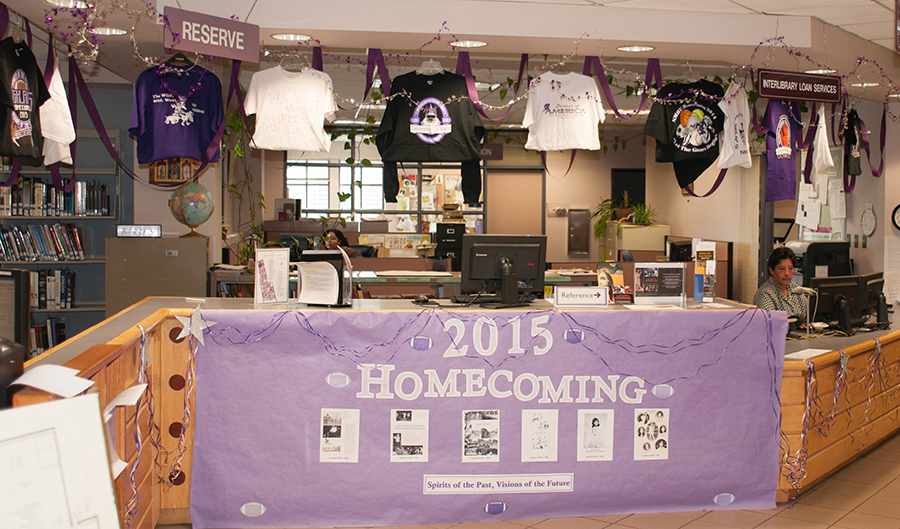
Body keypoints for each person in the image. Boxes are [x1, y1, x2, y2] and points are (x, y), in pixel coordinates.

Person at [753, 247, 808, 321]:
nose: (787, 273)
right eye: (782, 269)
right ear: (771, 270)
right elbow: (771, 323)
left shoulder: (795, 288)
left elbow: (807, 315)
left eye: (790, 269)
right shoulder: (765, 293)